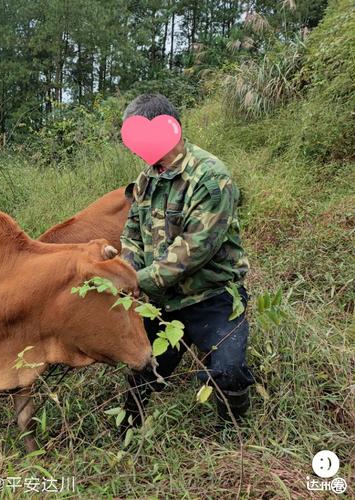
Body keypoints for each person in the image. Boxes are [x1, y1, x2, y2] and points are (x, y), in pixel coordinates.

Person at [120, 93, 254, 428]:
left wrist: (137, 281)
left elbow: (195, 248)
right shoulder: (147, 179)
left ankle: (231, 429)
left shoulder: (210, 177)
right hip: (164, 299)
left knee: (229, 371)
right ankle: (128, 429)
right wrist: (125, 268)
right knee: (143, 368)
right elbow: (132, 232)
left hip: (213, 297)